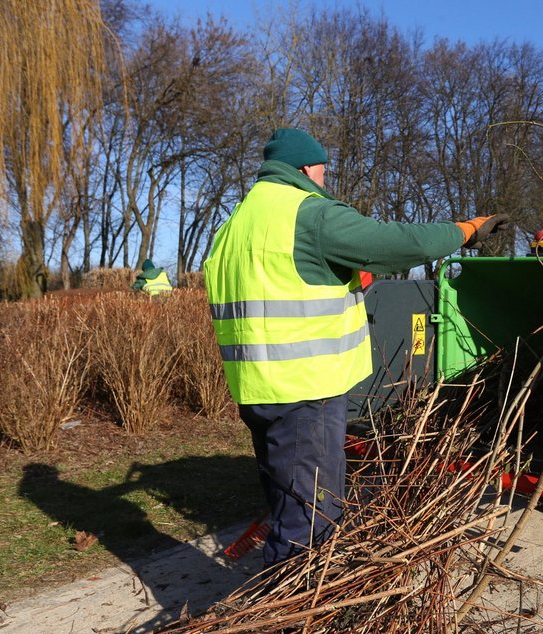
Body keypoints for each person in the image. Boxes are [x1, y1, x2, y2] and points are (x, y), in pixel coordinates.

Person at [203, 128, 508, 566]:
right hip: (307, 393)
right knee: (310, 525)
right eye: (323, 172)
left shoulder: (236, 224)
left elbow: (280, 285)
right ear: (306, 169)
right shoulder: (308, 213)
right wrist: (465, 230)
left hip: (257, 390)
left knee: (288, 504)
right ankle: (295, 611)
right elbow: (401, 244)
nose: (324, 181)